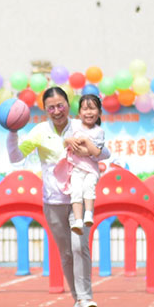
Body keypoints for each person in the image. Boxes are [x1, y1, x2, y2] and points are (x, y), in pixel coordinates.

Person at [6, 86, 108, 307]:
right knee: (66, 254)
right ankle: (77, 298)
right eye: (51, 107)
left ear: (68, 105)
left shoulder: (80, 126)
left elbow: (103, 151)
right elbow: (16, 157)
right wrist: (12, 133)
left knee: (79, 246)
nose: (57, 110)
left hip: (78, 199)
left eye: (60, 105)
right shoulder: (40, 131)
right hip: (52, 202)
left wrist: (91, 151)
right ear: (45, 109)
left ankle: (85, 297)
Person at [55, 94, 105, 234]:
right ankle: (78, 221)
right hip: (76, 168)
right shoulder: (74, 124)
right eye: (84, 109)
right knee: (76, 191)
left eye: (92, 109)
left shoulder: (99, 132)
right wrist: (70, 141)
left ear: (99, 112)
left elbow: (96, 152)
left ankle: (88, 214)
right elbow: (65, 140)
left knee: (88, 187)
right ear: (79, 113)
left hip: (91, 170)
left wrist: (86, 141)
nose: (88, 112)